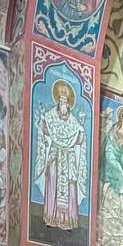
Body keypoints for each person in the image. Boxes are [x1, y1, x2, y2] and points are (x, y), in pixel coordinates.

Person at [34, 80, 88, 232]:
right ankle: (51, 218)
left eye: (66, 101)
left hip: (68, 159)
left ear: (69, 103)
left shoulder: (73, 122)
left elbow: (79, 140)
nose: (63, 103)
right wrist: (43, 121)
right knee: (53, 184)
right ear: (58, 101)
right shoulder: (51, 116)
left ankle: (68, 221)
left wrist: (81, 130)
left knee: (70, 187)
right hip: (55, 156)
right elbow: (45, 131)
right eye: (61, 100)